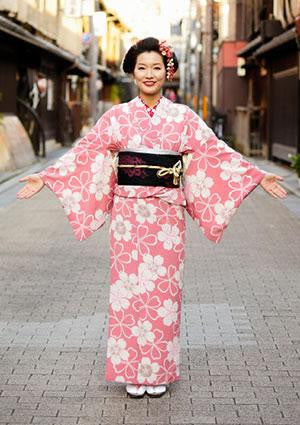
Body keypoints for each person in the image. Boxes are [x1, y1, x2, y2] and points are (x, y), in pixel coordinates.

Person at [16, 37, 287, 399]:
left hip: (166, 218)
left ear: (167, 72)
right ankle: (131, 370)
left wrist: (255, 174)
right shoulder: (117, 117)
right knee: (128, 294)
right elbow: (87, 151)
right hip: (128, 217)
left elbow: (215, 152)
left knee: (163, 294)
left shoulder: (183, 118)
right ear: (131, 71)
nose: (149, 74)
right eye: (142, 67)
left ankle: (157, 370)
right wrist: (48, 177)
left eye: (156, 67)